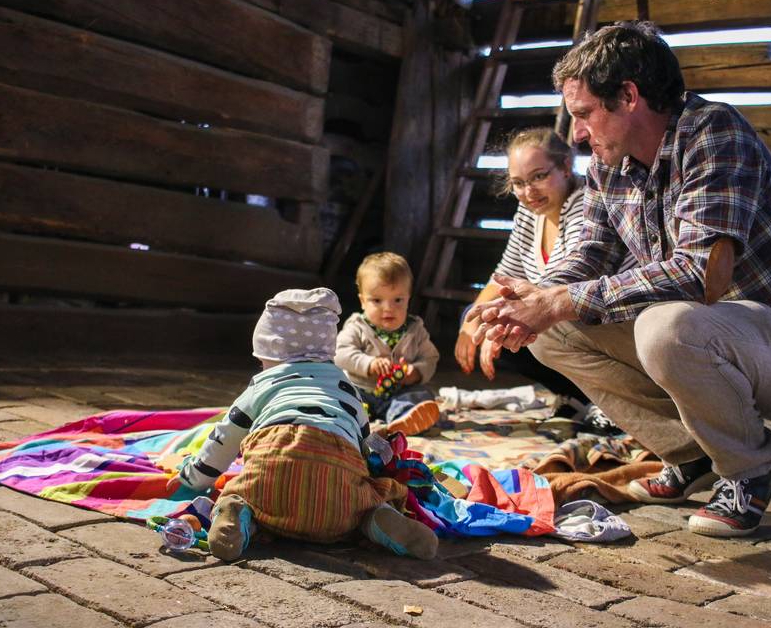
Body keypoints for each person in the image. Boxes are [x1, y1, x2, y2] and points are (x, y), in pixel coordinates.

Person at [468, 21, 771, 537]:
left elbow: (703, 277)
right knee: (553, 332)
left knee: (665, 327)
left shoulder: (714, 135)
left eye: (584, 114)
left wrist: (561, 299)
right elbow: (588, 255)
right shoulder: (610, 166)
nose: (577, 133)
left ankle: (750, 470)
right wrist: (532, 301)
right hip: (714, 339)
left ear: (628, 96)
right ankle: (691, 453)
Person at [170, 288, 438, 561]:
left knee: (248, 495)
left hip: (270, 479)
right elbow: (365, 450)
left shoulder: (263, 384)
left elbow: (223, 440)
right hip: (337, 501)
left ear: (271, 354)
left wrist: (192, 477)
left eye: (261, 359)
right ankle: (377, 518)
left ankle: (237, 515)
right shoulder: (346, 388)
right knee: (363, 503)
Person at [454, 127, 633, 430]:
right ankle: (575, 398)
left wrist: (499, 320)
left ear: (565, 167)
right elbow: (505, 275)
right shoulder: (528, 214)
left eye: (539, 177)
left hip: (603, 319)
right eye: (519, 183)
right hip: (552, 317)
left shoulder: (583, 204)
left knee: (512, 323)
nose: (529, 191)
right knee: (476, 317)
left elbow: (570, 280)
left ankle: (610, 403)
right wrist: (470, 324)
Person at [335, 252, 441, 436]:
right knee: (340, 392)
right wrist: (369, 364)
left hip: (398, 393)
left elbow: (430, 358)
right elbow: (339, 353)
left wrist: (415, 372)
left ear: (408, 298)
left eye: (398, 300)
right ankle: (352, 417)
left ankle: (402, 418)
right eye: (377, 300)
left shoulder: (415, 330)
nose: (388, 308)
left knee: (423, 394)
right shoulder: (357, 326)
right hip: (362, 390)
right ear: (362, 301)